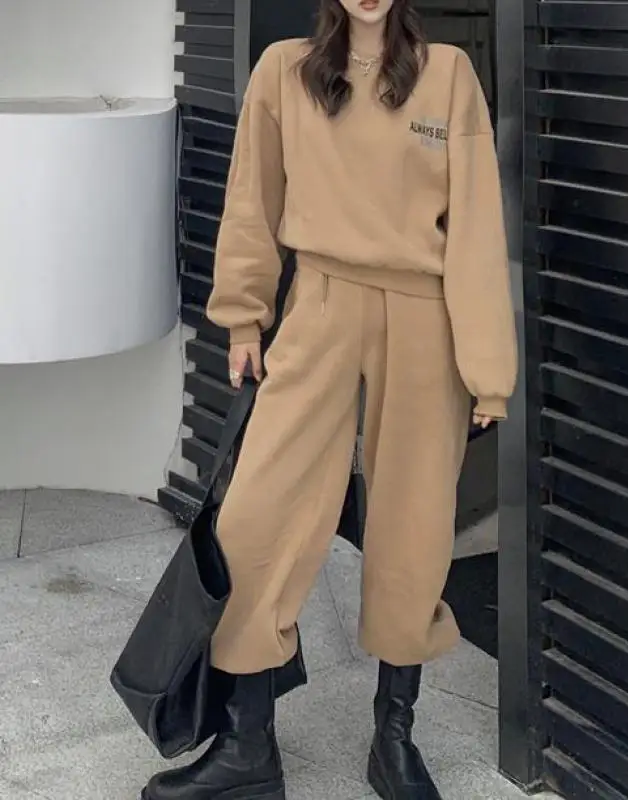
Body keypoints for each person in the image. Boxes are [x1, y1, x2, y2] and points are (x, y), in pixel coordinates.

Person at [141, 0, 516, 797]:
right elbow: (252, 198)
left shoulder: (448, 76)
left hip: (424, 318)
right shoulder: (284, 70)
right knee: (255, 517)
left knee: (415, 525)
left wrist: (488, 365)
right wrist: (243, 316)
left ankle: (394, 737)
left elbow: (478, 225)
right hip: (317, 302)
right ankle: (247, 746)